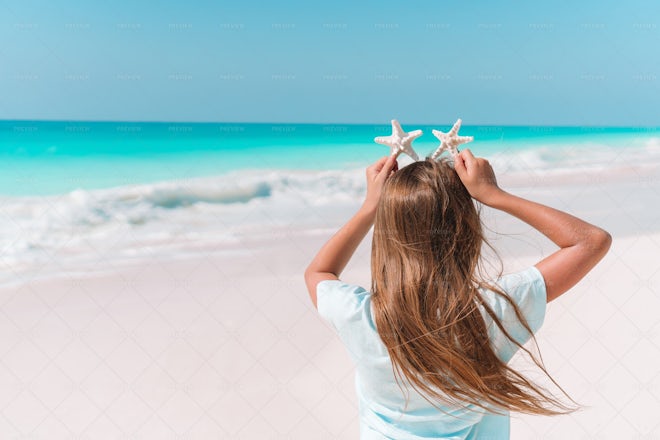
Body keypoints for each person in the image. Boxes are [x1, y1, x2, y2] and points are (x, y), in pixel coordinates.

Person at [304, 150, 612, 439]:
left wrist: (370, 207)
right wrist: (493, 195)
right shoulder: (492, 311)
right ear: (468, 231)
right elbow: (589, 242)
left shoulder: (359, 315)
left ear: (388, 235)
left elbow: (318, 273)